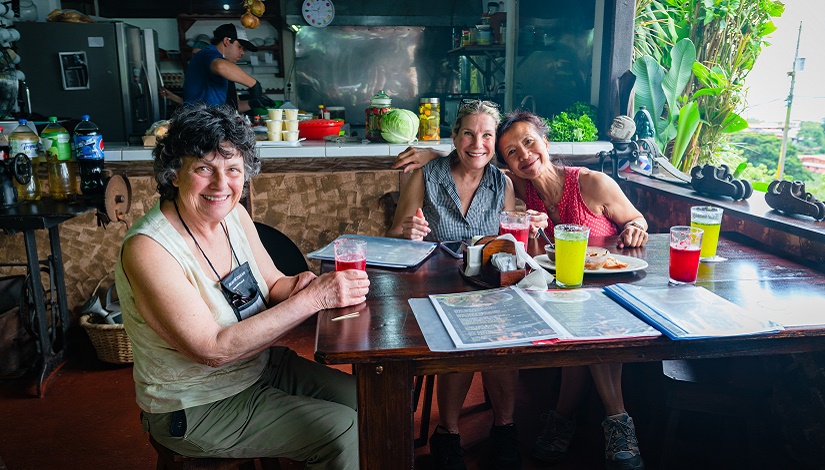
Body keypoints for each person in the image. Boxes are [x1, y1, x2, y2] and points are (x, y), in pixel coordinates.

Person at [115, 102, 369, 469]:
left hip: (259, 366)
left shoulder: (233, 214)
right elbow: (212, 350)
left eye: (233, 169)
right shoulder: (149, 249)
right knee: (342, 430)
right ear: (174, 174)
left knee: (372, 400)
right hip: (196, 403)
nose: (222, 185)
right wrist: (313, 299)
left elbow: (274, 284)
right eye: (204, 168)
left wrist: (303, 286)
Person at [394, 110, 649, 470]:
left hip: (594, 287)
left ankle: (598, 420)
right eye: (512, 151)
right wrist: (434, 156)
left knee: (571, 326)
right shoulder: (518, 186)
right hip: (536, 289)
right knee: (495, 326)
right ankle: (488, 429)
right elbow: (474, 158)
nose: (524, 154)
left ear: (545, 142)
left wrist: (636, 226)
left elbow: (636, 219)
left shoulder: (587, 183)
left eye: (529, 142)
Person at [388, 100, 546, 470]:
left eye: (487, 135)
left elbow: (510, 244)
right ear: (455, 137)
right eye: (469, 134)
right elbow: (394, 234)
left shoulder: (502, 182)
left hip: (487, 288)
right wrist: (407, 232)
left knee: (501, 335)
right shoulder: (426, 175)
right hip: (434, 289)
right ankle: (448, 432)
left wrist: (530, 225)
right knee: (458, 336)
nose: (478, 144)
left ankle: (504, 428)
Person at [183, 23, 275, 113]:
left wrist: (253, 103)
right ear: (226, 41)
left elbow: (234, 107)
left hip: (212, 121)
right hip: (198, 122)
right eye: (239, 47)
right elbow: (220, 66)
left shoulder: (225, 71)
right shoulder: (206, 54)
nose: (242, 52)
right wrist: (254, 84)